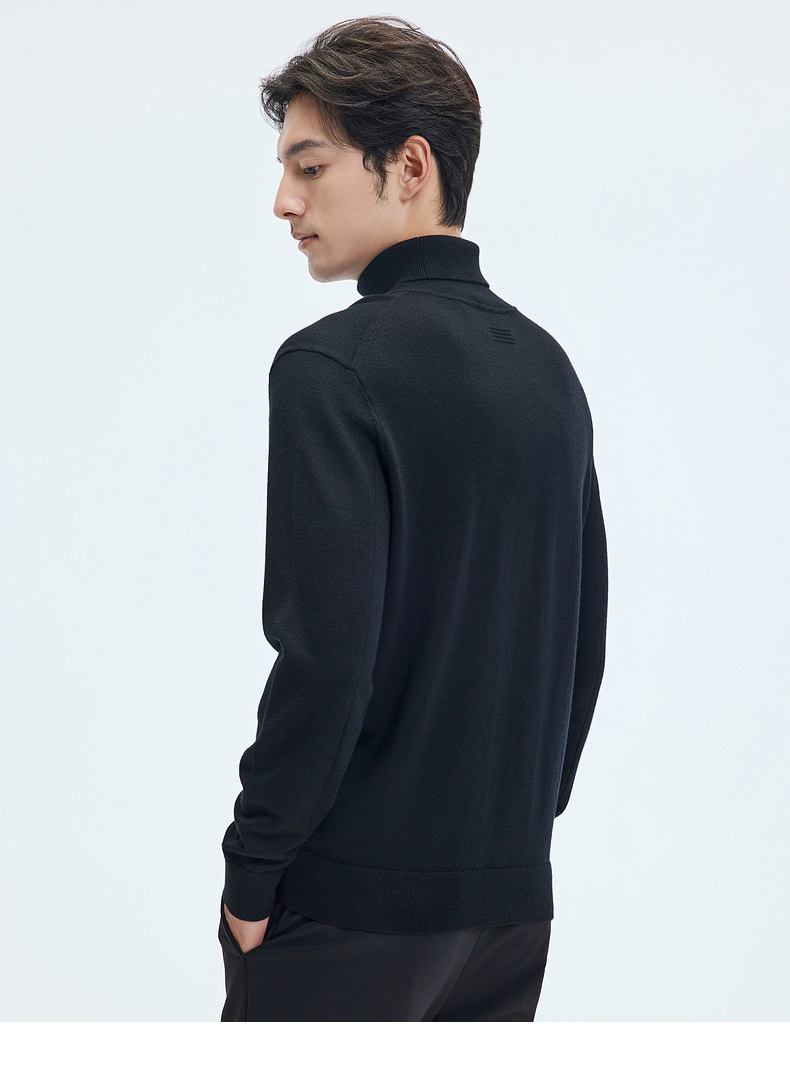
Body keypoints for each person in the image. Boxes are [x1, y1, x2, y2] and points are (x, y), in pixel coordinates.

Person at [218, 15, 608, 1022]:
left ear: (410, 166)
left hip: (347, 912)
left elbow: (326, 659)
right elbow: (584, 645)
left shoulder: (329, 367)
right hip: (508, 908)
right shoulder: (548, 369)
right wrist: (512, 832)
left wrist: (251, 871)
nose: (283, 201)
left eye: (309, 166)